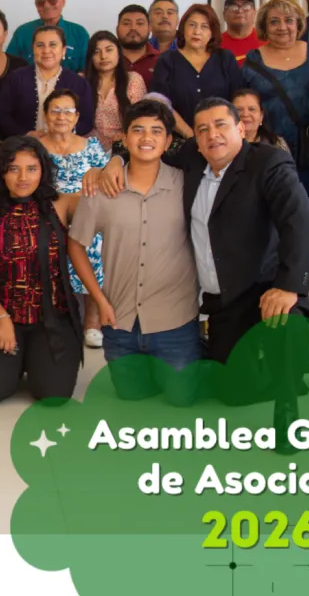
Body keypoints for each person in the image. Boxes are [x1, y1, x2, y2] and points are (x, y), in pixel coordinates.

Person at [84, 98, 309, 447]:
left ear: (240, 128)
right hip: (226, 298)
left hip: (267, 285)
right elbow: (144, 147)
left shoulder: (269, 163)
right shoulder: (192, 160)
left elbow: (298, 223)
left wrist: (289, 286)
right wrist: (111, 163)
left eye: (221, 125)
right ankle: (301, 357)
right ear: (194, 138)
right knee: (233, 392)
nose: (213, 135)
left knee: (285, 325)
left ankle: (288, 408)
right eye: (203, 129)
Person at [68, 101, 201, 405]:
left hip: (175, 320)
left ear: (168, 140)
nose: (146, 138)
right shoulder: (101, 189)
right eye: (138, 130)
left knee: (181, 398)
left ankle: (197, 352)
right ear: (124, 138)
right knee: (131, 396)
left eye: (156, 131)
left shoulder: (186, 185)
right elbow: (76, 244)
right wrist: (99, 300)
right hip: (120, 321)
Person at [0, 135, 82, 403]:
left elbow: (102, 203)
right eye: (13, 169)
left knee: (53, 396)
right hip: (3, 315)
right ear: (2, 172)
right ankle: (16, 362)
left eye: (31, 169)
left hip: (53, 318)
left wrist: (107, 168)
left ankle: (34, 359)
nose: (23, 177)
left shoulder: (62, 205)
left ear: (43, 171)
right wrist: (1, 318)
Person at [244, 0, 309, 275]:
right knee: (272, 211)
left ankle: (304, 275)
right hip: (271, 148)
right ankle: (274, 274)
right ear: (264, 27)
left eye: (289, 20)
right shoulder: (253, 59)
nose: (282, 27)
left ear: (299, 24)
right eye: (274, 21)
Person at [38, 89, 110, 348]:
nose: (61, 116)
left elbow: (106, 179)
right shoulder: (35, 148)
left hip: (87, 214)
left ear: (77, 116)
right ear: (46, 115)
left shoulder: (92, 146)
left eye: (68, 111)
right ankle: (54, 316)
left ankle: (92, 319)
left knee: (95, 241)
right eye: (55, 110)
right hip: (47, 211)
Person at [151, 4, 243, 139]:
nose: (197, 32)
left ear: (212, 32)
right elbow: (160, 103)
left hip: (222, 138)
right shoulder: (167, 60)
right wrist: (191, 135)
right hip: (180, 139)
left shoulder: (225, 58)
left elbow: (238, 100)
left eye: (204, 27)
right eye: (192, 25)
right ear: (183, 28)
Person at [0, 25, 94, 140]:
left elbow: (86, 121)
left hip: (63, 146)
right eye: (40, 45)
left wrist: (61, 133)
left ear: (63, 50)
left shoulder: (78, 83)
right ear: (33, 49)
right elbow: (1, 115)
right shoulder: (15, 78)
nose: (46, 50)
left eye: (53, 45)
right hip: (22, 145)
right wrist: (25, 135)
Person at [5, 0, 89, 72]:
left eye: (52, 0)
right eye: (41, 2)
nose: (46, 5)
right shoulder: (22, 33)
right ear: (36, 5)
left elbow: (87, 70)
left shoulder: (79, 33)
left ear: (63, 1)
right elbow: (9, 67)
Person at [86, 30, 146, 149]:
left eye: (109, 50)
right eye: (96, 52)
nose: (103, 56)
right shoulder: (82, 82)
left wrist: (124, 136)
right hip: (88, 147)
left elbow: (140, 119)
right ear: (91, 57)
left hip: (124, 145)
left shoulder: (133, 80)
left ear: (119, 53)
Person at [117, 4, 161, 87]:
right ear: (117, 29)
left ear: (149, 28)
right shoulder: (105, 59)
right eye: (126, 23)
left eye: (140, 23)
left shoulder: (162, 61)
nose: (133, 28)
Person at [219, 0, 264, 66]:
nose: (240, 11)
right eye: (233, 7)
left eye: (246, 7)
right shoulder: (214, 45)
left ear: (254, 13)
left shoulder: (267, 42)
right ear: (224, 15)